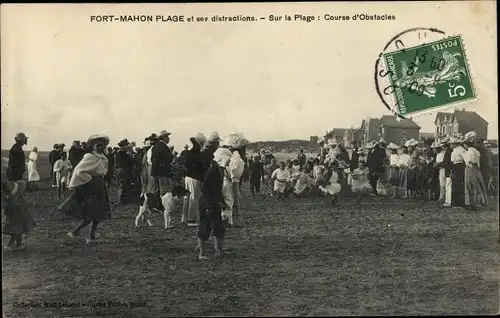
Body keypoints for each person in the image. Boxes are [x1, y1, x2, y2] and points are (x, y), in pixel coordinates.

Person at [61, 134, 111, 244]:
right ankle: (77, 232)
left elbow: (104, 170)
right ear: (93, 146)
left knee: (98, 212)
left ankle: (89, 235)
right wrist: (90, 179)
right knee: (91, 212)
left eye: (102, 145)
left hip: (100, 186)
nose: (101, 147)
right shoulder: (90, 157)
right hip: (92, 187)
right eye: (98, 145)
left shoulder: (103, 158)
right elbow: (79, 171)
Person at [197, 148, 230, 260]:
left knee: (218, 227)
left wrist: (221, 201)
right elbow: (204, 188)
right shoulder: (213, 171)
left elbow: (216, 190)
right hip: (207, 203)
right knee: (205, 227)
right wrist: (208, 205)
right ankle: (201, 254)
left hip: (213, 202)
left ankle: (219, 250)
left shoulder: (220, 170)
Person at [221, 133, 249, 227]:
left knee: (227, 201)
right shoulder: (238, 160)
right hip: (229, 182)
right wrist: (237, 196)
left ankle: (227, 220)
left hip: (225, 181)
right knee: (230, 200)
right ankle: (230, 221)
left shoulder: (230, 157)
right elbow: (235, 181)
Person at [2, 179, 35, 251]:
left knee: (18, 232)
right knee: (16, 232)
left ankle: (18, 244)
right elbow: (9, 208)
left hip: (19, 218)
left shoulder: (16, 197)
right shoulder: (13, 198)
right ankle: (9, 245)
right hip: (16, 218)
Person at [182, 133, 207, 226]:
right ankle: (191, 219)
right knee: (194, 197)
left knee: (186, 197)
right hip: (195, 178)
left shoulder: (188, 152)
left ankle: (184, 218)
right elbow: (201, 168)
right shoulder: (199, 154)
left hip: (187, 177)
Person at [462, 131, 488, 209]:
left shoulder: (470, 152)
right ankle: (479, 201)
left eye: (464, 144)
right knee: (477, 184)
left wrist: (467, 161)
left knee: (469, 185)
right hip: (476, 170)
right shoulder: (476, 151)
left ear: (466, 144)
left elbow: (471, 162)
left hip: (470, 169)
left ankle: (471, 203)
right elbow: (478, 163)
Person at [151, 130, 175, 196]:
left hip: (155, 172)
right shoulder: (164, 147)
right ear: (164, 137)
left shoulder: (155, 147)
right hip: (163, 172)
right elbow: (169, 158)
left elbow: (152, 159)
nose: (169, 138)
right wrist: (171, 152)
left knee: (156, 192)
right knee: (164, 192)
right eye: (167, 136)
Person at [450, 137, 466, 207]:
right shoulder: (454, 149)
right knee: (454, 184)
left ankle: (460, 202)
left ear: (456, 143)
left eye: (453, 143)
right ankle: (455, 201)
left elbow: (465, 158)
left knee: (458, 184)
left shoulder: (461, 149)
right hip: (455, 165)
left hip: (459, 166)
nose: (452, 145)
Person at [440, 138, 453, 207]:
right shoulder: (449, 151)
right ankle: (448, 200)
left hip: (449, 171)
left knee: (448, 186)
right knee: (448, 186)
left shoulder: (448, 152)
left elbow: (447, 163)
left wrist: (439, 164)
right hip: (448, 170)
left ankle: (448, 201)